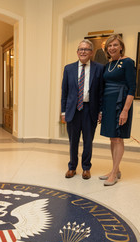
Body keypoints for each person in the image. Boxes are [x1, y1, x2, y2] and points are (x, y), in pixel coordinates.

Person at [61, 39, 104, 180]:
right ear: (77, 52)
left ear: (91, 52)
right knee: (73, 141)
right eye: (80, 49)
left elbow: (101, 93)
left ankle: (86, 168)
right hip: (73, 110)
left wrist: (101, 111)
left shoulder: (99, 68)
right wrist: (63, 112)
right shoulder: (69, 68)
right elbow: (65, 92)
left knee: (88, 141)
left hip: (89, 110)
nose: (83, 52)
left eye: (86, 49)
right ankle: (72, 167)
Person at [98, 34, 136, 186]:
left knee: (118, 137)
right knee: (112, 137)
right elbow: (104, 87)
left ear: (121, 47)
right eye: (109, 46)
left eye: (115, 45)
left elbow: (132, 88)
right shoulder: (108, 65)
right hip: (108, 104)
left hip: (121, 103)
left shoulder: (127, 62)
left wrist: (125, 110)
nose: (112, 48)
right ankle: (116, 169)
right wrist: (101, 110)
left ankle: (114, 173)